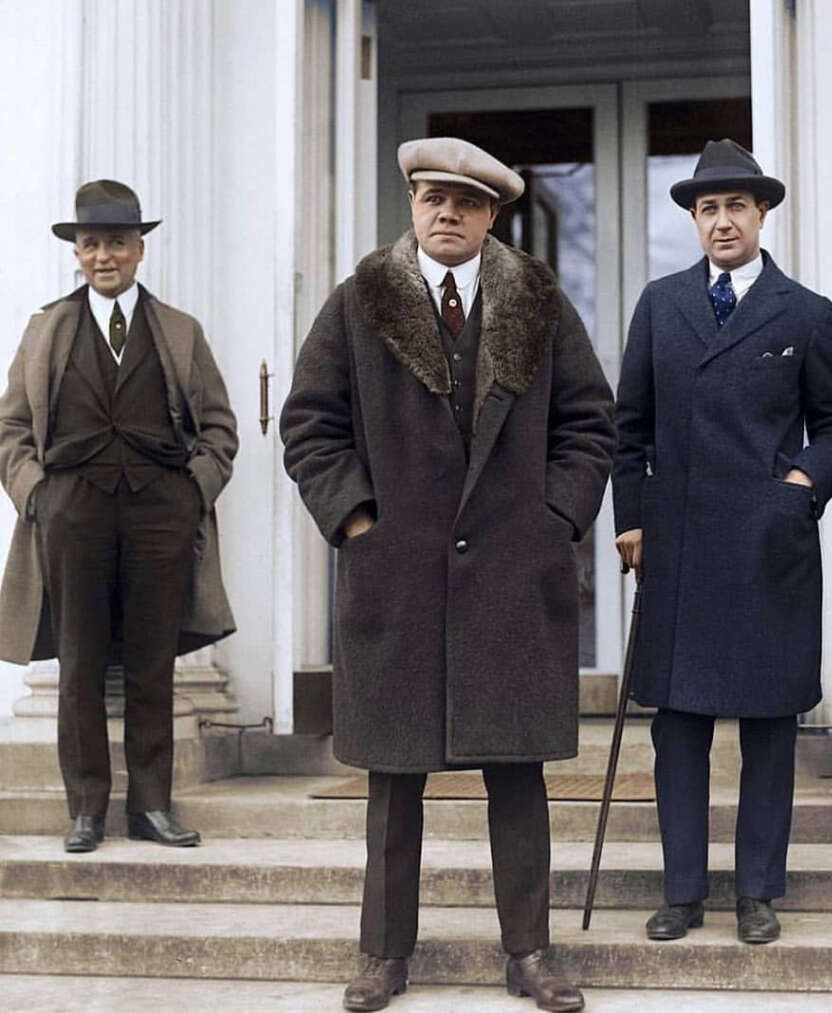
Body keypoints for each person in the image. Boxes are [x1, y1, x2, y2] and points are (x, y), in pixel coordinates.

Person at [280, 137, 614, 1012]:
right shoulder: (362, 299)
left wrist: (557, 520)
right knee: (393, 783)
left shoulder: (537, 302)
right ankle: (384, 954)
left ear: (492, 215)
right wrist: (356, 520)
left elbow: (589, 422)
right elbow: (310, 422)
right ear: (414, 204)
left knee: (519, 774)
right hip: (395, 577)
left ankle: (530, 953)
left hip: (512, 575)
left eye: (466, 203)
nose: (447, 214)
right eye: (433, 198)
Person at [613, 139, 832, 946]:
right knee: (677, 726)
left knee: (767, 724)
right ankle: (682, 889)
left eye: (736, 207)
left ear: (762, 215)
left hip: (767, 546)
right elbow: (629, 428)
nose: (722, 222)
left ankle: (757, 889)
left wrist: (800, 490)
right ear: (694, 219)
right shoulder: (660, 304)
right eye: (707, 209)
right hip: (677, 546)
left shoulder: (805, 312)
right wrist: (630, 521)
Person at [0, 179, 237, 853]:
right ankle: (85, 808)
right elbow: (10, 426)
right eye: (91, 244)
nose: (105, 256)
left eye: (117, 243)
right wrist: (36, 495)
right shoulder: (45, 329)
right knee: (77, 663)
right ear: (77, 251)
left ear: (139, 249)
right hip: (70, 513)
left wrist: (194, 490)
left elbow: (219, 426)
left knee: (150, 663)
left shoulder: (180, 331)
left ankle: (152, 805)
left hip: (160, 512)